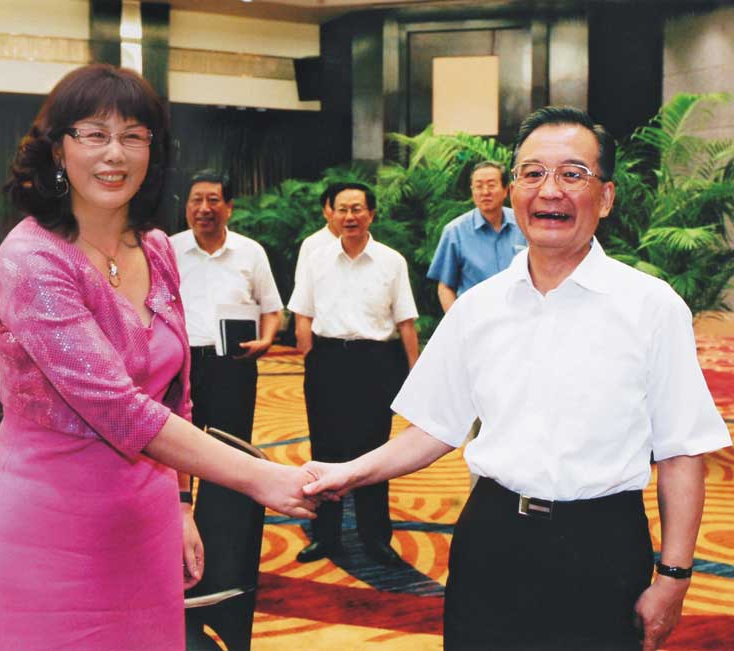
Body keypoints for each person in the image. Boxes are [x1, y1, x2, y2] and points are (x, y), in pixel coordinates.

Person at [301, 107, 731, 650]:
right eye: (532, 173)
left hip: (600, 543)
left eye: (572, 174)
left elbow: (681, 451)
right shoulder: (478, 307)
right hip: (491, 537)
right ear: (513, 190)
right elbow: (433, 429)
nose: (550, 190)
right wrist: (349, 472)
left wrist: (674, 577)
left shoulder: (651, 306)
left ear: (605, 197)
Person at [0, 64, 316, 651]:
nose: (115, 153)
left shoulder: (156, 247)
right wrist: (262, 477)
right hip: (51, 523)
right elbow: (119, 408)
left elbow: (175, 393)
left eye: (133, 136)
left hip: (147, 514)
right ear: (58, 148)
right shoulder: (31, 260)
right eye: (94, 134)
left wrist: (182, 506)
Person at [289, 182, 419, 565]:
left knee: (375, 452)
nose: (350, 216)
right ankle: (325, 537)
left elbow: (406, 321)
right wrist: (309, 356)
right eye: (343, 209)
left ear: (371, 214)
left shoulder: (392, 261)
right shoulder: (316, 258)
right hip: (327, 359)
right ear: (331, 213)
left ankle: (376, 538)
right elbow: (302, 313)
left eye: (357, 209)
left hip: (376, 361)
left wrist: (414, 373)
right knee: (324, 449)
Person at [170, 170, 282, 443]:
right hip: (181, 365)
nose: (204, 208)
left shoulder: (251, 252)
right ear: (186, 206)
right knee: (180, 447)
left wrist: (266, 340)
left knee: (233, 445)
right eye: (196, 200)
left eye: (213, 200)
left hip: (234, 364)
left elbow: (271, 308)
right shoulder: (169, 250)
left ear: (229, 207)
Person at [427, 160, 526, 312]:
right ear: (472, 191)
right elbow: (445, 287)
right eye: (479, 186)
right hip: (475, 318)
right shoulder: (455, 232)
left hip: (521, 315)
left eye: (491, 185)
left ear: (506, 190)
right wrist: (457, 322)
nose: (485, 192)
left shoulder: (524, 224)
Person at [293, 183, 341, 285]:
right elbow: (302, 285)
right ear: (324, 211)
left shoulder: (366, 243)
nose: (338, 212)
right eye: (332, 206)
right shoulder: (312, 244)